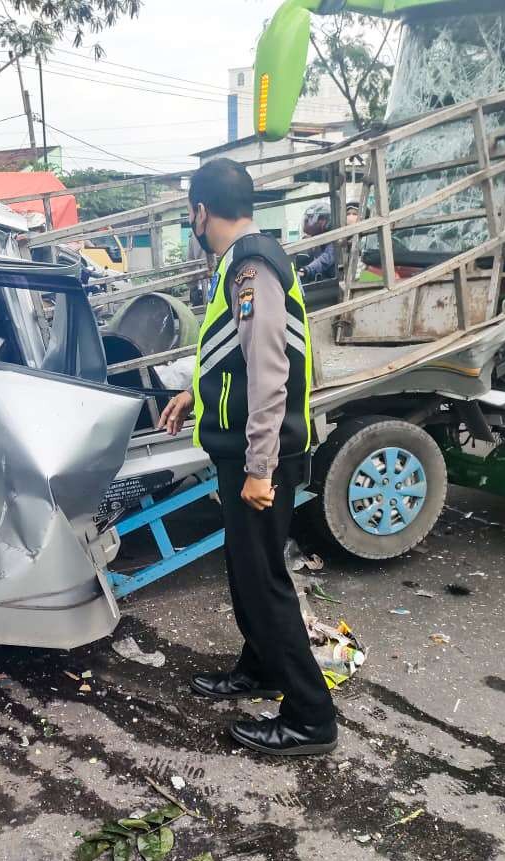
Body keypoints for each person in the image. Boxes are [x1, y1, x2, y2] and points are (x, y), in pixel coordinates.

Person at [158, 158, 337, 757]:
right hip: (248, 451)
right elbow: (235, 354)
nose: (194, 225)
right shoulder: (244, 264)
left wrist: (259, 468)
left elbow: (268, 375)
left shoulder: (250, 269)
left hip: (264, 457)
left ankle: (311, 717)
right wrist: (193, 392)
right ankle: (258, 668)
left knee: (264, 583)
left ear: (201, 211)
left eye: (192, 215)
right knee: (246, 570)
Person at [297, 201, 336, 283]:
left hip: (334, 283)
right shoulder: (316, 241)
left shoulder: (333, 239)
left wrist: (306, 270)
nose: (307, 222)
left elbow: (325, 259)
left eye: (310, 219)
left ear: (324, 221)